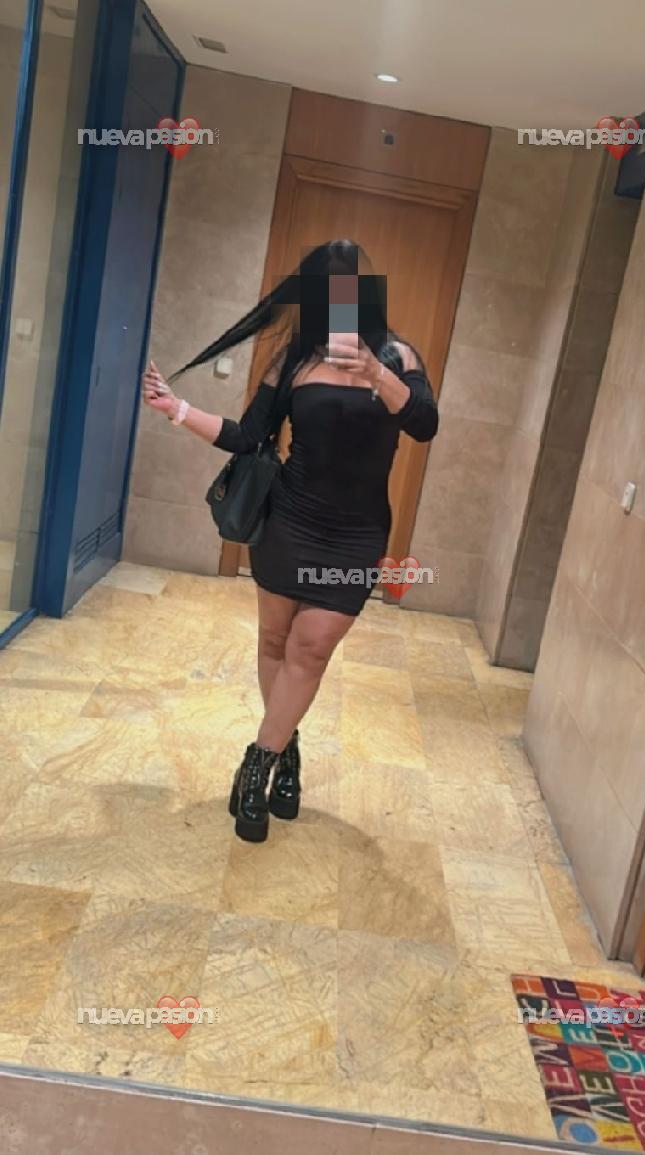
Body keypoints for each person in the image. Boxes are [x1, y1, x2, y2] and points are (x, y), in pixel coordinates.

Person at [140, 239, 438, 844]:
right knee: (276, 642)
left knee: (312, 647)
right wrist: (177, 409)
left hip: (356, 535)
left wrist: (375, 373)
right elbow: (248, 437)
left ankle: (256, 765)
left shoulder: (398, 355)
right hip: (288, 522)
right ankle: (287, 748)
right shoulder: (295, 361)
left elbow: (425, 424)